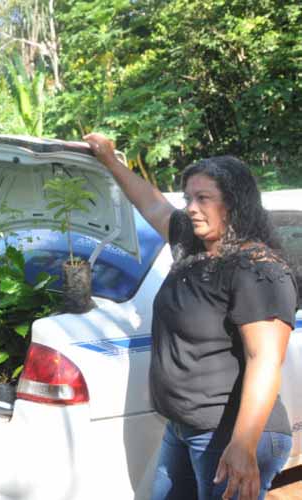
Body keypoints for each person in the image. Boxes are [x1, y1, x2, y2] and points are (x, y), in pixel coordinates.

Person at [84, 133, 295, 500]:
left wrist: (243, 446)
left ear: (233, 204)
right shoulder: (195, 246)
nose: (191, 208)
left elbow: (264, 361)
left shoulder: (258, 269)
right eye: (188, 198)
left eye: (203, 198)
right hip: (183, 428)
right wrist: (109, 160)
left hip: (231, 435)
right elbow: (153, 206)